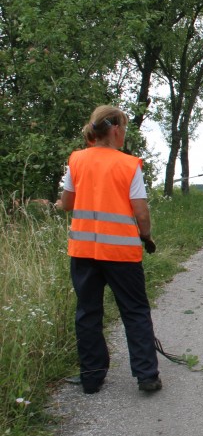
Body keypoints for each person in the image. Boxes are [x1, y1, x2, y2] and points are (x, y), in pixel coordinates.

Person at [59, 105, 162, 394]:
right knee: (135, 311)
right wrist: (147, 236)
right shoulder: (129, 164)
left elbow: (68, 203)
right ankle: (146, 376)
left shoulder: (76, 160)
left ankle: (91, 378)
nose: (124, 134)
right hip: (121, 254)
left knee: (88, 313)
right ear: (115, 129)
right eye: (124, 128)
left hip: (83, 252)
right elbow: (140, 211)